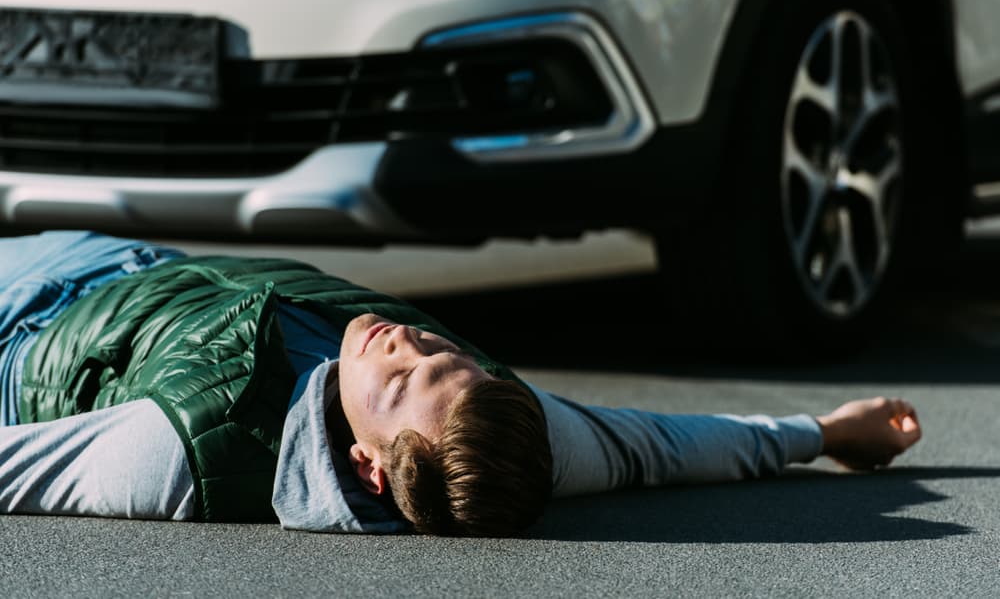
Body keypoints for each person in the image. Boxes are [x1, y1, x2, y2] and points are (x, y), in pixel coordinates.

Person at [0, 232, 921, 536]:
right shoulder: (508, 435)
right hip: (141, 260)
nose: (406, 342)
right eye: (442, 353)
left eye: (400, 379)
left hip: (25, 316)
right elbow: (660, 444)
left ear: (368, 467)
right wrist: (829, 433)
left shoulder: (179, 455)